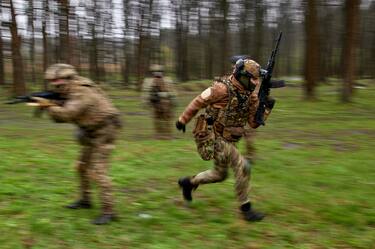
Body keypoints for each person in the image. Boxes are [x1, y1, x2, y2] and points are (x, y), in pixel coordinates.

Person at [175, 59, 274, 222]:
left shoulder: (250, 95)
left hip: (229, 138)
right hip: (211, 136)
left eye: (256, 80)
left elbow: (253, 123)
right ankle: (246, 209)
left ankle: (189, 183)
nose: (254, 84)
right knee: (243, 166)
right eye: (252, 80)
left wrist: (266, 108)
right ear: (241, 76)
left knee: (219, 175)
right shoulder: (221, 89)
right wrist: (182, 120)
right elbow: (198, 101)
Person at [32, 64, 122, 225]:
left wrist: (49, 106)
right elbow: (59, 118)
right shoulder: (68, 92)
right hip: (89, 131)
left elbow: (67, 114)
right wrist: (50, 106)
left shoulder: (82, 91)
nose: (55, 86)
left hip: (105, 130)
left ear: (69, 79)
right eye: (53, 83)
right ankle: (85, 200)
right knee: (81, 167)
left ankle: (109, 211)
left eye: (58, 83)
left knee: (98, 171)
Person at [141, 64, 176, 139]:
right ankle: (163, 134)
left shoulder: (149, 81)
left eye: (158, 71)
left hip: (162, 103)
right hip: (160, 102)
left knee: (162, 119)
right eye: (156, 71)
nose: (157, 73)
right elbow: (173, 92)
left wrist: (145, 102)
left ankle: (163, 134)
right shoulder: (167, 80)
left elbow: (145, 93)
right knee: (161, 119)